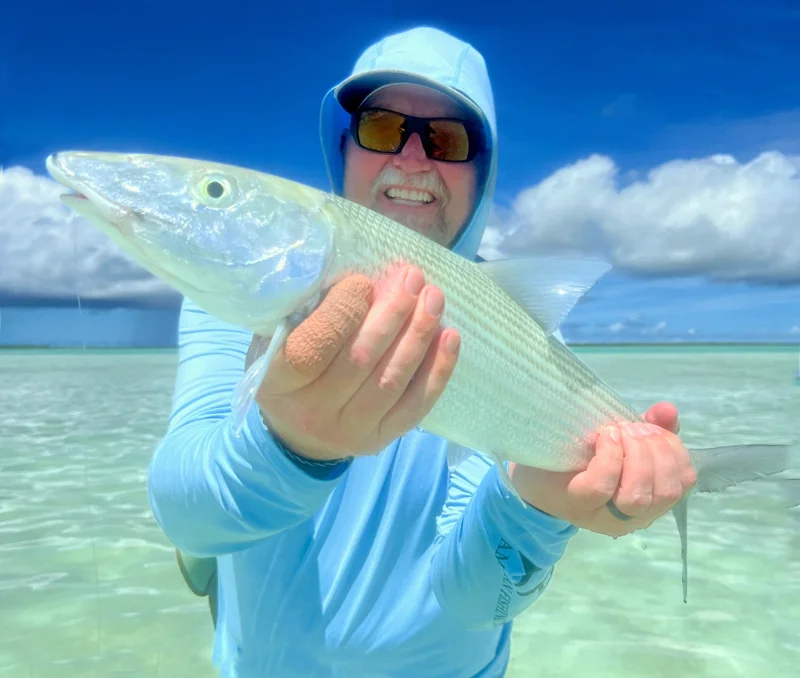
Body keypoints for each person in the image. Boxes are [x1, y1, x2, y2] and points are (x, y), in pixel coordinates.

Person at [148, 26, 695, 677]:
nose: (412, 160)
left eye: (447, 140)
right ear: (343, 145)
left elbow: (473, 599)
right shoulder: (238, 297)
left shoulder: (521, 337)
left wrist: (534, 505)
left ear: (482, 169)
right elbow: (189, 517)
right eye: (382, 128)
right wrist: (291, 443)